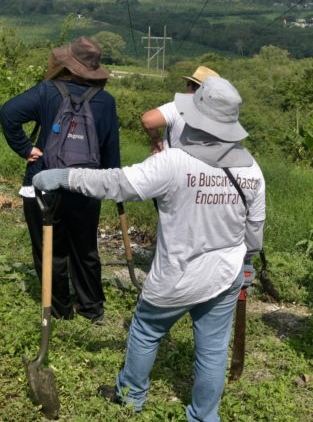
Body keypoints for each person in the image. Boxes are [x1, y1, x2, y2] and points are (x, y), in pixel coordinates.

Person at [33, 76, 266, 421]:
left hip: (177, 276)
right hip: (226, 273)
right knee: (214, 351)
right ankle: (204, 416)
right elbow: (255, 233)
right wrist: (245, 264)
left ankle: (131, 396)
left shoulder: (174, 163)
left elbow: (115, 183)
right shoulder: (251, 169)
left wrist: (64, 177)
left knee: (145, 330)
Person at [0, 36, 120, 323]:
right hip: (86, 184)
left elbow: (8, 113)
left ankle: (60, 309)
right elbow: (110, 148)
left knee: (49, 249)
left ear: (68, 64)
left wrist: (26, 149)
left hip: (43, 183)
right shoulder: (106, 101)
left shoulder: (47, 91)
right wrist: (112, 182)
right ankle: (92, 310)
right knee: (86, 249)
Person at [140, 65, 219, 154]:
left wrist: (156, 139)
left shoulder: (182, 105)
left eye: (188, 84)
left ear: (194, 88)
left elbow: (147, 120)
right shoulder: (219, 114)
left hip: (173, 165)